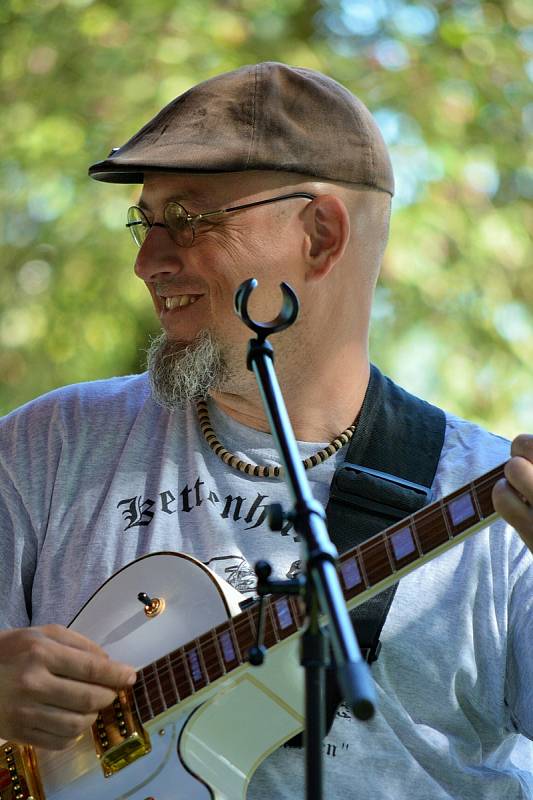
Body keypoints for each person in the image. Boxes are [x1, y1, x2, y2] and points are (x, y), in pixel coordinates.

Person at [0, 61, 532, 798]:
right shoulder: (45, 448)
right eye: (144, 222)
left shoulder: (493, 503)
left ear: (320, 234)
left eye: (187, 219)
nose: (146, 262)